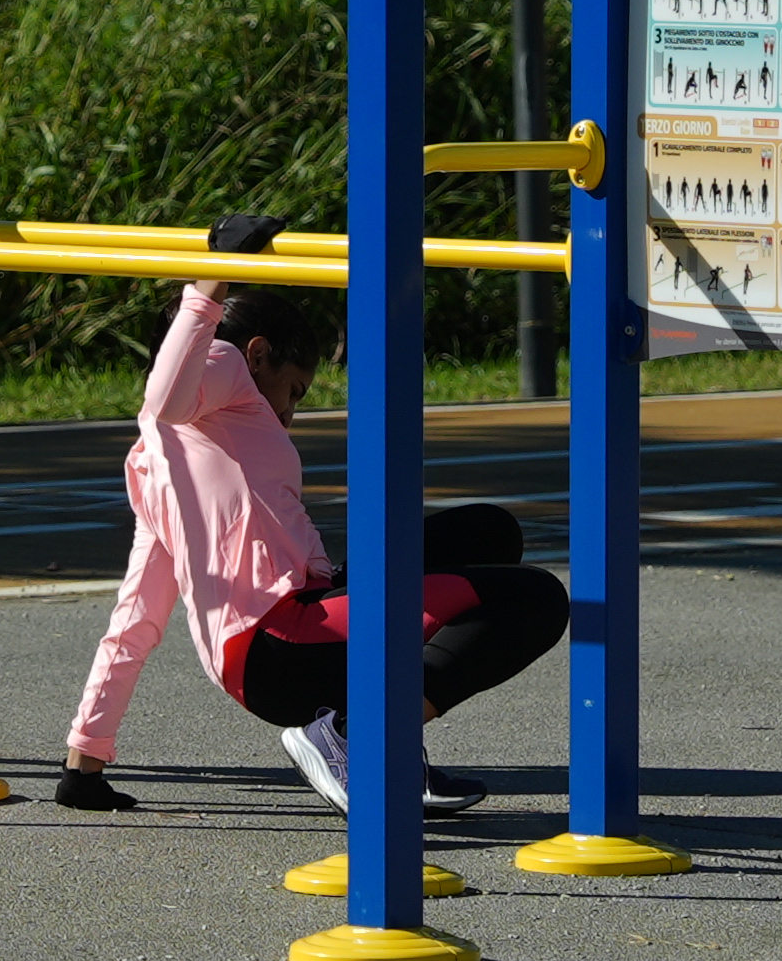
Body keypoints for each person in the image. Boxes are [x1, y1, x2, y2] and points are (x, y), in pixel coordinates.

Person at [58, 238, 556, 825]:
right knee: (537, 599)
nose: (291, 414)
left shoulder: (154, 465)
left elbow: (134, 620)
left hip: (285, 637)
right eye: (293, 391)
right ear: (259, 353)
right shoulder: (226, 371)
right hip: (282, 642)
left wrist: (83, 762)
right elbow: (168, 396)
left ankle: (376, 742)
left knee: (487, 533)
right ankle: (363, 740)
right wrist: (214, 277)